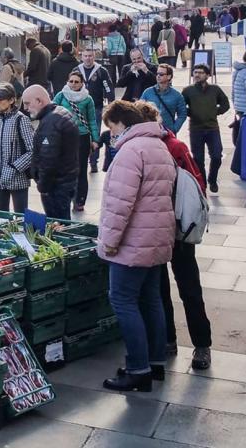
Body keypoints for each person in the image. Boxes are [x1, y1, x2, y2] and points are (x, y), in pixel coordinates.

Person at [96, 101, 176, 392]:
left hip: (132, 243)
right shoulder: (159, 146)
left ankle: (137, 370)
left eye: (112, 129)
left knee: (123, 300)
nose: (111, 135)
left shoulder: (131, 151)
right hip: (156, 238)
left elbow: (120, 205)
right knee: (151, 299)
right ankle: (155, 364)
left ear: (123, 124)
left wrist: (109, 242)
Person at [136, 101, 213, 370]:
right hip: (153, 229)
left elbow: (197, 184)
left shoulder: (175, 147)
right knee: (158, 290)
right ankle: (167, 339)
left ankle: (202, 345)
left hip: (178, 231)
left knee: (189, 288)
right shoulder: (139, 149)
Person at [22, 85, 80, 220]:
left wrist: (43, 186)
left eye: (27, 103)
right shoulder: (61, 113)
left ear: (39, 101)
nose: (25, 108)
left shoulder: (50, 122)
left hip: (56, 185)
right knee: (62, 222)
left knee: (57, 224)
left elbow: (48, 159)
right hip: (66, 180)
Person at [0, 83, 35, 212]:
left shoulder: (21, 120)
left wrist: (13, 168)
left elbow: (32, 150)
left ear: (12, 100)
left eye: (0, 100)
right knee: (0, 215)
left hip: (18, 179)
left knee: (20, 215)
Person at [55, 71, 99, 212]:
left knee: (80, 170)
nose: (73, 84)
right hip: (64, 136)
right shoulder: (61, 96)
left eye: (76, 82)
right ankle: (66, 197)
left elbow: (92, 120)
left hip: (82, 137)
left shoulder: (87, 99)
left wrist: (95, 139)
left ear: (82, 83)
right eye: (71, 81)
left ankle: (79, 200)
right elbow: (51, 113)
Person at [182, 64, 230, 192]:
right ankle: (202, 183)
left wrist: (216, 112)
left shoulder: (215, 89)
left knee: (216, 156)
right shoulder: (188, 90)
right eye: (195, 72)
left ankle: (212, 179)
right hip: (195, 129)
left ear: (208, 75)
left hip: (212, 128)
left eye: (201, 72)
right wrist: (191, 113)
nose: (197, 75)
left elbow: (225, 103)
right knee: (198, 159)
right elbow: (181, 106)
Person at [77, 49, 115, 173]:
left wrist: (111, 103)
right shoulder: (76, 70)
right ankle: (79, 160)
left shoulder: (101, 71)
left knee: (95, 134)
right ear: (81, 57)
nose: (88, 58)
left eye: (90, 56)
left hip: (96, 108)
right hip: (79, 108)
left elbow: (108, 87)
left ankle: (93, 162)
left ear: (94, 57)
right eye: (85, 56)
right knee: (79, 133)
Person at [141, 64, 188, 135]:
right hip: (150, 133)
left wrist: (174, 129)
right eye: (157, 74)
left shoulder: (177, 95)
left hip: (168, 133)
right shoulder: (148, 92)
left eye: (161, 74)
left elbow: (182, 114)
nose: (158, 76)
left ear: (169, 76)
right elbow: (139, 110)